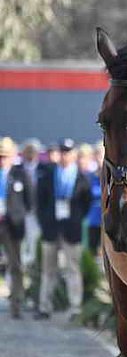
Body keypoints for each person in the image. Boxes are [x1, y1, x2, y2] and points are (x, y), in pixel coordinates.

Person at [35, 139, 92, 320]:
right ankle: (45, 306)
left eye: (68, 152)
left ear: (73, 154)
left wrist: (77, 219)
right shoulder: (48, 174)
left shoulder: (81, 177)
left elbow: (86, 202)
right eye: (63, 152)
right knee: (48, 269)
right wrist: (44, 220)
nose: (65, 155)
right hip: (51, 227)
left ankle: (75, 307)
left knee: (72, 269)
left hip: (71, 228)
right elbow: (40, 201)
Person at [0, 137, 32, 319]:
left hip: (13, 224)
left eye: (5, 156)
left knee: (15, 264)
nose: (2, 160)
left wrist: (16, 214)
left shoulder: (20, 174)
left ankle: (16, 302)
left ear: (13, 156)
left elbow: (29, 200)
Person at [20, 139, 42, 268]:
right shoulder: (18, 169)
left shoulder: (43, 169)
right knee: (22, 242)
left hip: (37, 211)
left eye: (32, 151)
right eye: (28, 151)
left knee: (35, 240)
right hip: (23, 211)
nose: (30, 154)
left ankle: (34, 268)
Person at [86, 143, 104, 257]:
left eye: (100, 155)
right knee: (92, 251)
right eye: (96, 155)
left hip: (107, 219)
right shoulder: (90, 176)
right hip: (93, 218)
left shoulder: (111, 177)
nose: (98, 158)